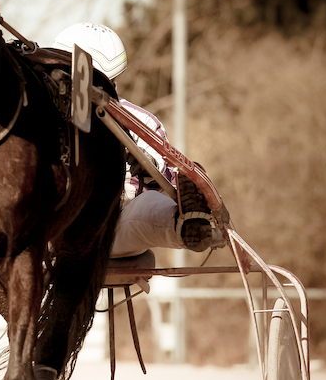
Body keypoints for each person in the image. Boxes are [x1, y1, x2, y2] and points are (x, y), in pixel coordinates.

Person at [49, 23, 222, 258]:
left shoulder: (141, 122)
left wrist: (149, 165)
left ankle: (188, 226)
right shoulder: (40, 112)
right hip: (48, 224)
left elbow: (167, 184)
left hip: (110, 228)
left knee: (147, 205)